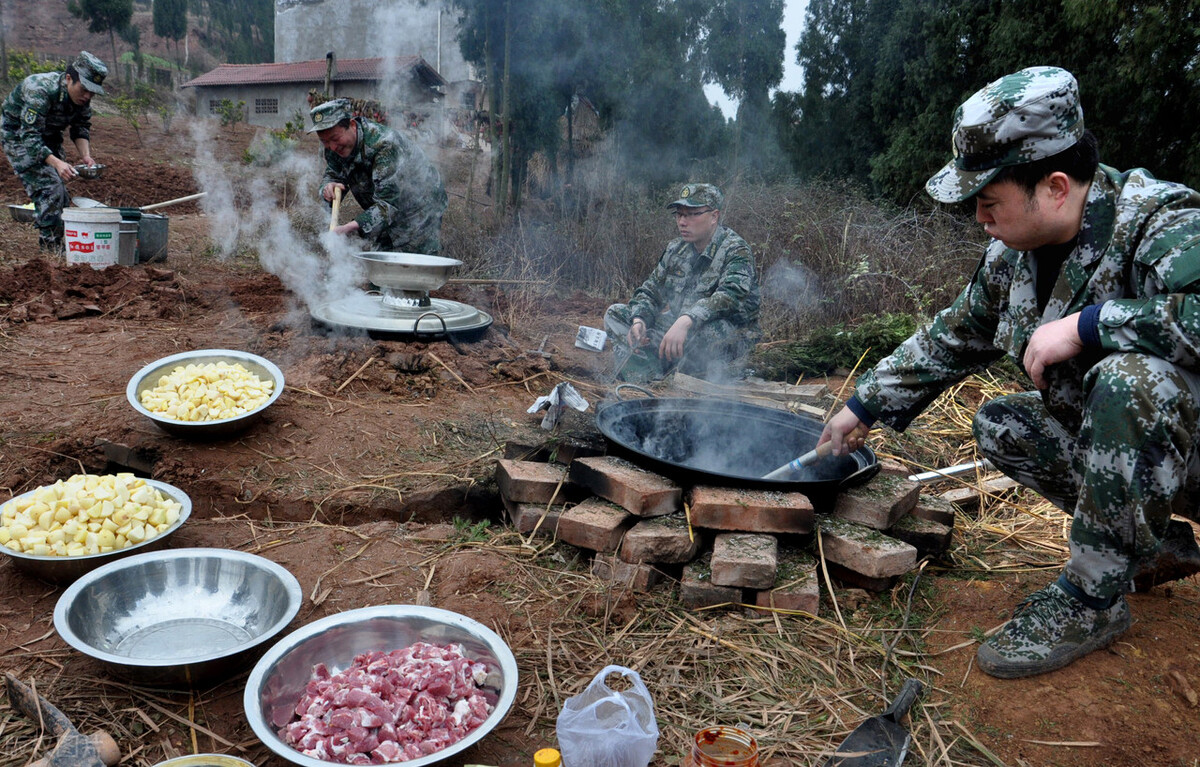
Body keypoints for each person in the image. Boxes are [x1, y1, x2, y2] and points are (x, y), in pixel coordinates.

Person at [820, 66, 1200, 679]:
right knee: (1003, 423)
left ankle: (1091, 602)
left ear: (1053, 186)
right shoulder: (1013, 257)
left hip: (1192, 451)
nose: (978, 218)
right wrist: (862, 406)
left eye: (989, 201)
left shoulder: (1160, 221)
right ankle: (1144, 548)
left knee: (1132, 379)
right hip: (1150, 465)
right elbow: (953, 334)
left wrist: (1089, 325)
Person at [604, 183, 760, 381]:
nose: (682, 222)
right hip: (679, 330)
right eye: (679, 215)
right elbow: (650, 291)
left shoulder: (735, 250)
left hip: (725, 335)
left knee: (710, 332)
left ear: (714, 216)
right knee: (616, 313)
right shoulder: (676, 249)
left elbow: (731, 295)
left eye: (692, 214)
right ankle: (648, 375)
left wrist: (687, 319)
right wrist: (639, 320)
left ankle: (676, 373)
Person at [309, 98, 447, 255]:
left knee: (413, 267)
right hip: (381, 207)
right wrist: (327, 189)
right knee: (381, 265)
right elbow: (333, 175)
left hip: (419, 207)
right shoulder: (333, 148)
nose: (332, 147)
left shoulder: (385, 146)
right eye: (324, 141)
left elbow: (388, 205)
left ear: (352, 126)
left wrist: (351, 227)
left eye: (335, 138)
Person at [1, 51, 107, 252]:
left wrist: (86, 156)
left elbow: (80, 127)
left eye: (92, 92)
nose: (87, 96)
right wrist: (57, 163)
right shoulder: (40, 89)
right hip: (18, 135)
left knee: (62, 193)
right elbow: (29, 136)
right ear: (69, 79)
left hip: (49, 134)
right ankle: (50, 248)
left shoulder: (83, 98)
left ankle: (57, 238)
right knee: (50, 187)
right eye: (84, 89)